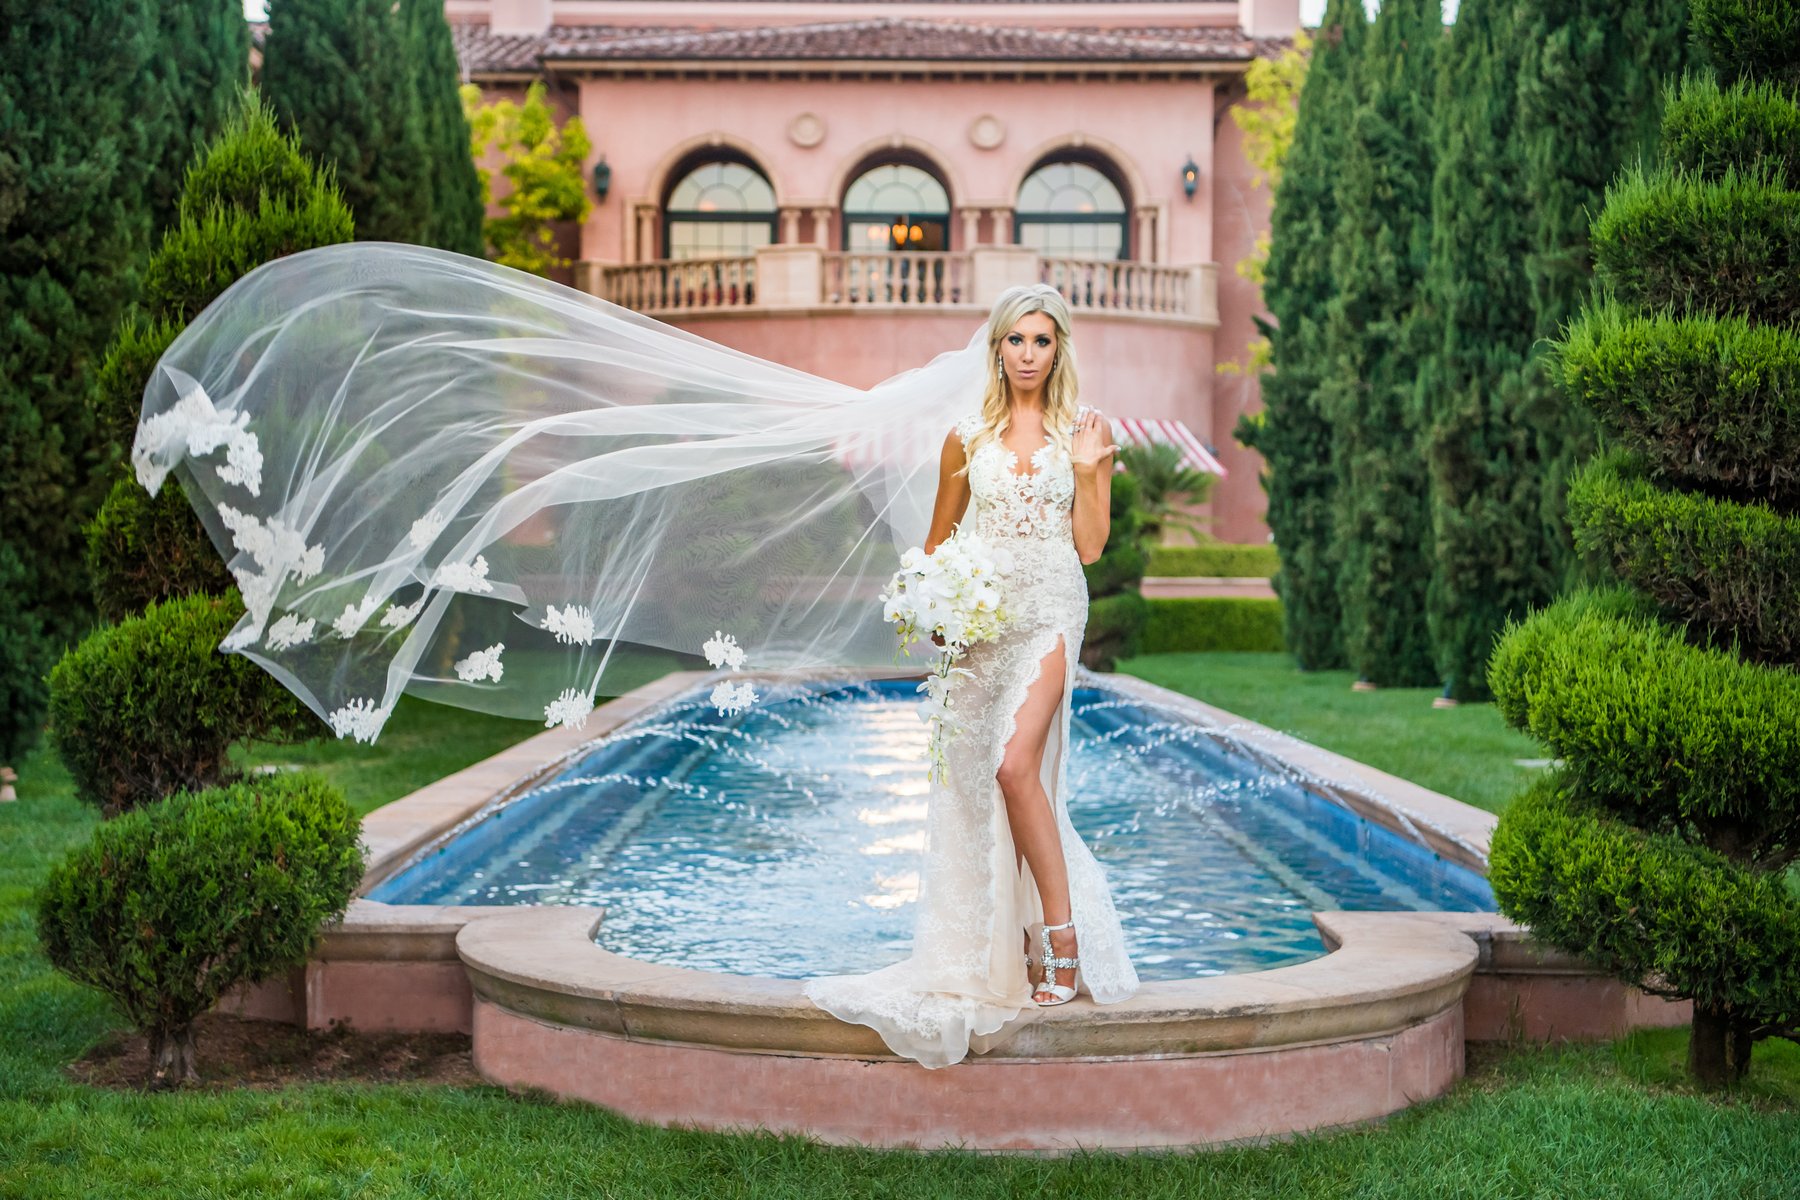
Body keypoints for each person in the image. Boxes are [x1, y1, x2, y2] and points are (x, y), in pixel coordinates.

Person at [803, 285, 1141, 1068]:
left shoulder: (1085, 433)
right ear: (996, 349)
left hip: (1053, 607)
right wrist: (937, 609)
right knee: (976, 790)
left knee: (1016, 767)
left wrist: (1091, 473)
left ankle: (1061, 942)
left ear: (1059, 350)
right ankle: (1008, 945)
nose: (1028, 354)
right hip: (983, 627)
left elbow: (1090, 546)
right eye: (1016, 341)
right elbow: (937, 545)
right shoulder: (966, 437)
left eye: (1041, 341)